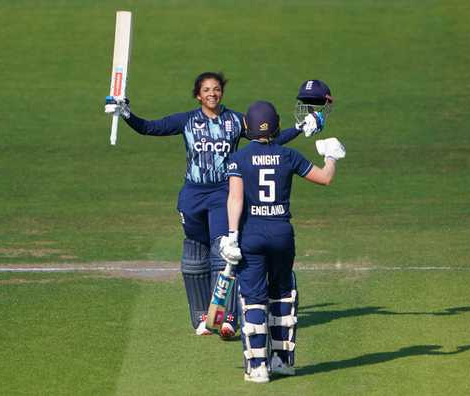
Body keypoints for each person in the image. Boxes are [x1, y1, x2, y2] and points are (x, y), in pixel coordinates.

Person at [104, 72, 324, 337]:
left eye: (216, 89)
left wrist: (300, 128)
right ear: (198, 95)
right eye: (206, 90)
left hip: (223, 193)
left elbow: (268, 139)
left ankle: (228, 317)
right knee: (196, 255)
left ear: (221, 93)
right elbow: (150, 127)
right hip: (192, 195)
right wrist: (126, 113)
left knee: (223, 250)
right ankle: (202, 317)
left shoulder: (235, 121)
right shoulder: (187, 120)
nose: (212, 93)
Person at [220, 100, 345, 383]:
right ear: (276, 126)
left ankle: (258, 368)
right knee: (282, 294)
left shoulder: (238, 159)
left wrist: (231, 236)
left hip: (251, 235)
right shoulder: (288, 155)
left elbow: (235, 199)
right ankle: (283, 362)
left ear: (247, 128)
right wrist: (332, 156)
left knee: (253, 298)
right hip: (281, 234)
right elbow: (325, 179)